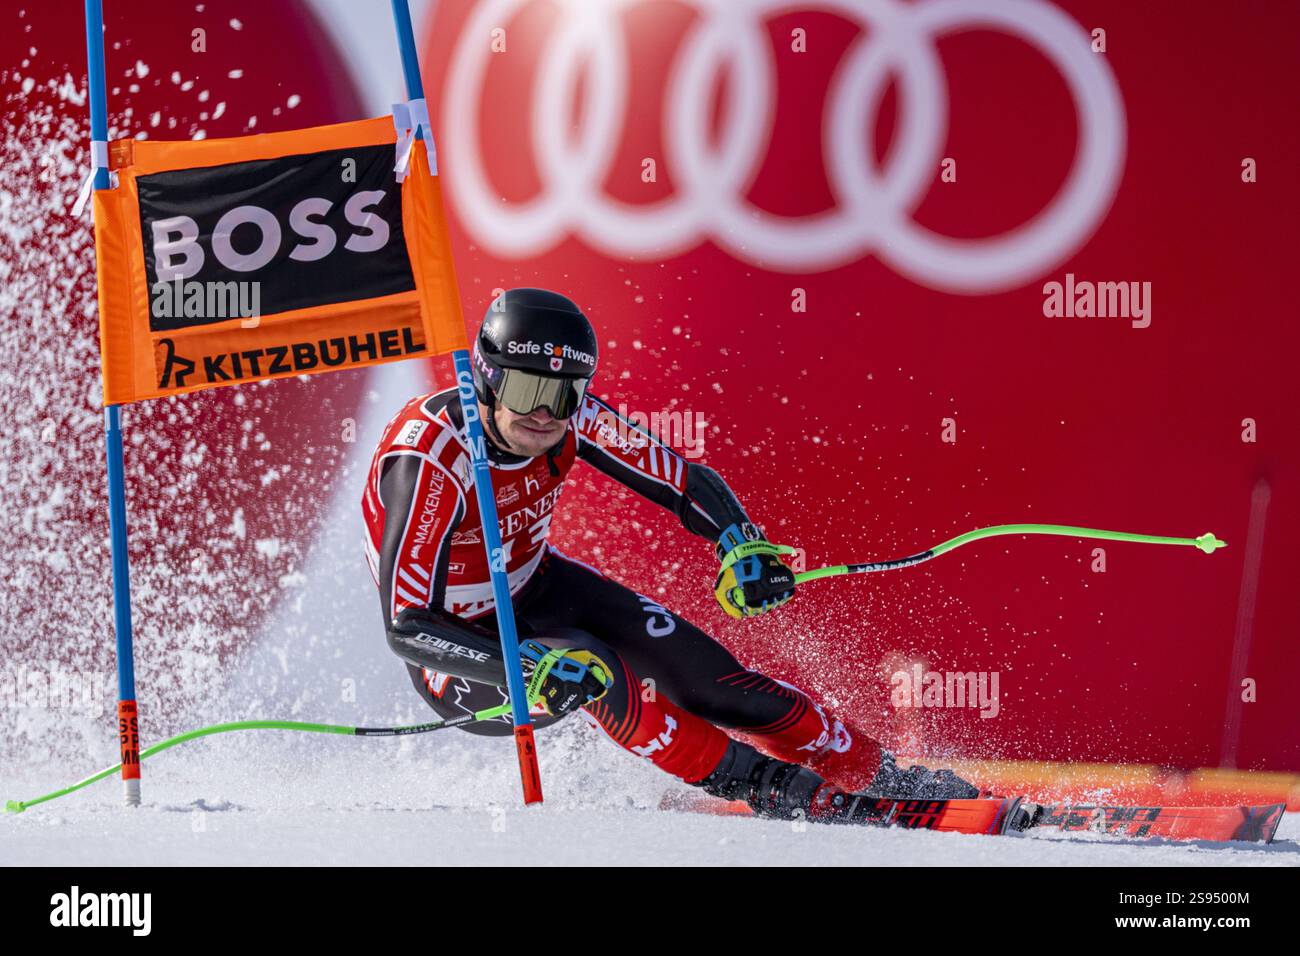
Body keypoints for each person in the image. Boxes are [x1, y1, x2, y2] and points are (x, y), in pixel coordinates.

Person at [362, 288, 979, 821]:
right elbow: (407, 627)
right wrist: (527, 669)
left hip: (538, 587)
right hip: (464, 655)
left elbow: (683, 480)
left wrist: (739, 542)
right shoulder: (431, 458)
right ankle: (775, 790)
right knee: (593, 667)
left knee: (715, 682)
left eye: (565, 392)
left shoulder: (566, 416)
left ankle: (882, 777)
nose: (546, 412)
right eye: (526, 389)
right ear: (487, 377)